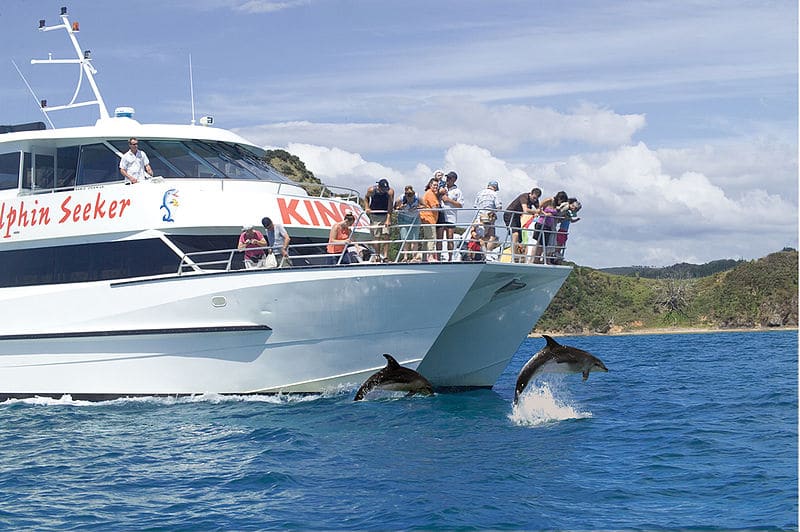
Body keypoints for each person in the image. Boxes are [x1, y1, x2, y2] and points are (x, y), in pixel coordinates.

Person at [504, 188, 541, 261]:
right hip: (510, 214)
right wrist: (535, 212)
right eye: (533, 198)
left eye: (536, 199)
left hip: (517, 216)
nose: (534, 200)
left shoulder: (535, 200)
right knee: (515, 234)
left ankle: (521, 255)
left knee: (520, 239)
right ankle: (513, 255)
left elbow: (539, 210)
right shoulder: (524, 197)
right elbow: (525, 210)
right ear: (530, 194)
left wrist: (539, 212)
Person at [364, 178, 394, 262]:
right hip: (375, 215)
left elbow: (390, 206)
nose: (384, 191)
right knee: (376, 236)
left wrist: (388, 219)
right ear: (379, 187)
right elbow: (366, 198)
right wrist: (367, 207)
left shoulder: (390, 192)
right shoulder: (371, 190)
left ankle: (385, 256)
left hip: (385, 214)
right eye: (383, 189)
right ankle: (377, 255)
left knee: (386, 235)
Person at [440, 171, 463, 261]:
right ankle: (438, 257)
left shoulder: (458, 191)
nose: (447, 180)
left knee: (450, 237)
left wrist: (449, 200)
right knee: (440, 238)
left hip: (451, 217)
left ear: (454, 180)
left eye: (450, 178)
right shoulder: (442, 188)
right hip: (441, 215)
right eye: (447, 178)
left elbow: (460, 205)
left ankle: (450, 257)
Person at [550, 198, 581, 264]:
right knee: (559, 242)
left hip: (565, 231)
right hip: (562, 230)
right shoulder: (566, 210)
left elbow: (571, 220)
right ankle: (555, 253)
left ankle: (557, 253)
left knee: (562, 243)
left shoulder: (569, 214)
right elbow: (561, 216)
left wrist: (576, 220)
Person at [394, 185, 421, 262]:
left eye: (411, 195)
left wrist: (417, 207)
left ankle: (414, 257)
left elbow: (425, 205)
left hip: (415, 218)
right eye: (408, 196)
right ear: (405, 195)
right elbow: (395, 208)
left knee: (415, 238)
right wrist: (401, 207)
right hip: (403, 218)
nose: (410, 198)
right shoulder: (401, 198)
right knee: (405, 238)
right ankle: (405, 257)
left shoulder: (417, 197)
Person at [419, 177, 441, 262]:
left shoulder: (429, 193)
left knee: (427, 238)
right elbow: (434, 207)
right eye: (434, 185)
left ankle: (424, 257)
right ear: (430, 185)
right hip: (429, 219)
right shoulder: (430, 194)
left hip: (427, 219)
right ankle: (430, 256)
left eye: (437, 185)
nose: (436, 187)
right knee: (432, 237)